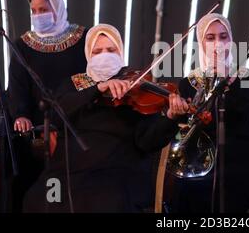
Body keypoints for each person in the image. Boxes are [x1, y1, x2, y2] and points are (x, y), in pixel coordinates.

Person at [23, 24, 189, 212]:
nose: (104, 55)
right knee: (38, 199)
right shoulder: (76, 83)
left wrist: (170, 117)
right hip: (68, 170)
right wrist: (98, 88)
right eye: (97, 51)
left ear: (120, 52)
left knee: (105, 202)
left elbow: (146, 142)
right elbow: (57, 113)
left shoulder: (135, 86)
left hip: (117, 170)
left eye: (111, 50)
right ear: (88, 54)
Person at [166, 13, 249, 213]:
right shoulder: (188, 83)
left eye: (223, 37)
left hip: (240, 156)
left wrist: (226, 79)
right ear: (201, 43)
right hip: (200, 159)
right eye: (210, 38)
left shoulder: (246, 76)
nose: (218, 43)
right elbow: (182, 128)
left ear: (231, 40)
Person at [7, 0, 88, 211]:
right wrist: (21, 114)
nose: (38, 15)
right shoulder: (22, 44)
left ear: (58, 7)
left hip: (74, 119)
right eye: (33, 11)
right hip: (35, 122)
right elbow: (17, 85)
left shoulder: (82, 38)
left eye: (43, 9)